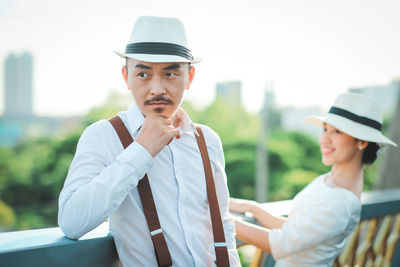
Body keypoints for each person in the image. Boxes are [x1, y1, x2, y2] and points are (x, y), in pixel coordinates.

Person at [58, 16, 240, 266]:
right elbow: (71, 222)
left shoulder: (207, 139)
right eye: (143, 73)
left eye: (170, 73)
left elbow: (223, 227)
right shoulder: (103, 136)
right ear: (126, 76)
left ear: (190, 76)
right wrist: (141, 151)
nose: (157, 89)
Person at [229, 92, 397, 266]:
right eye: (325, 129)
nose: (325, 138)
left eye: (337, 131)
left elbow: (280, 243)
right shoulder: (326, 181)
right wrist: (253, 208)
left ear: (362, 142)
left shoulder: (341, 202)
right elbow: (297, 228)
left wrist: (221, 220)